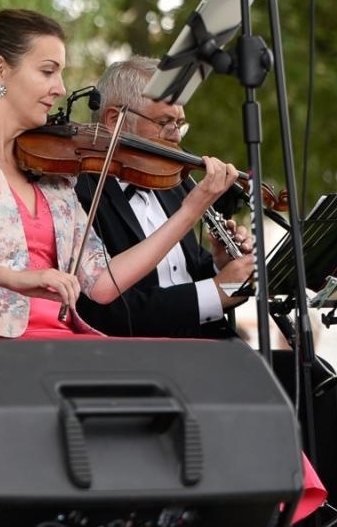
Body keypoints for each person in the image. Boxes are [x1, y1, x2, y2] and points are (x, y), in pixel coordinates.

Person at [0, 10, 244, 341]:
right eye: (47, 71)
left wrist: (188, 213)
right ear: (0, 71)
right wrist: (14, 278)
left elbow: (103, 283)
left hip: (62, 339)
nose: (60, 88)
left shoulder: (53, 175)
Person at [73, 56, 256, 338]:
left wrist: (221, 264)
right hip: (145, 360)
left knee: (314, 374)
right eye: (165, 122)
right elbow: (105, 315)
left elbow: (191, 279)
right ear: (114, 120)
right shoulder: (81, 194)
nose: (175, 138)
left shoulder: (172, 185)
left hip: (208, 345)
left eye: (179, 124)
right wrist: (218, 291)